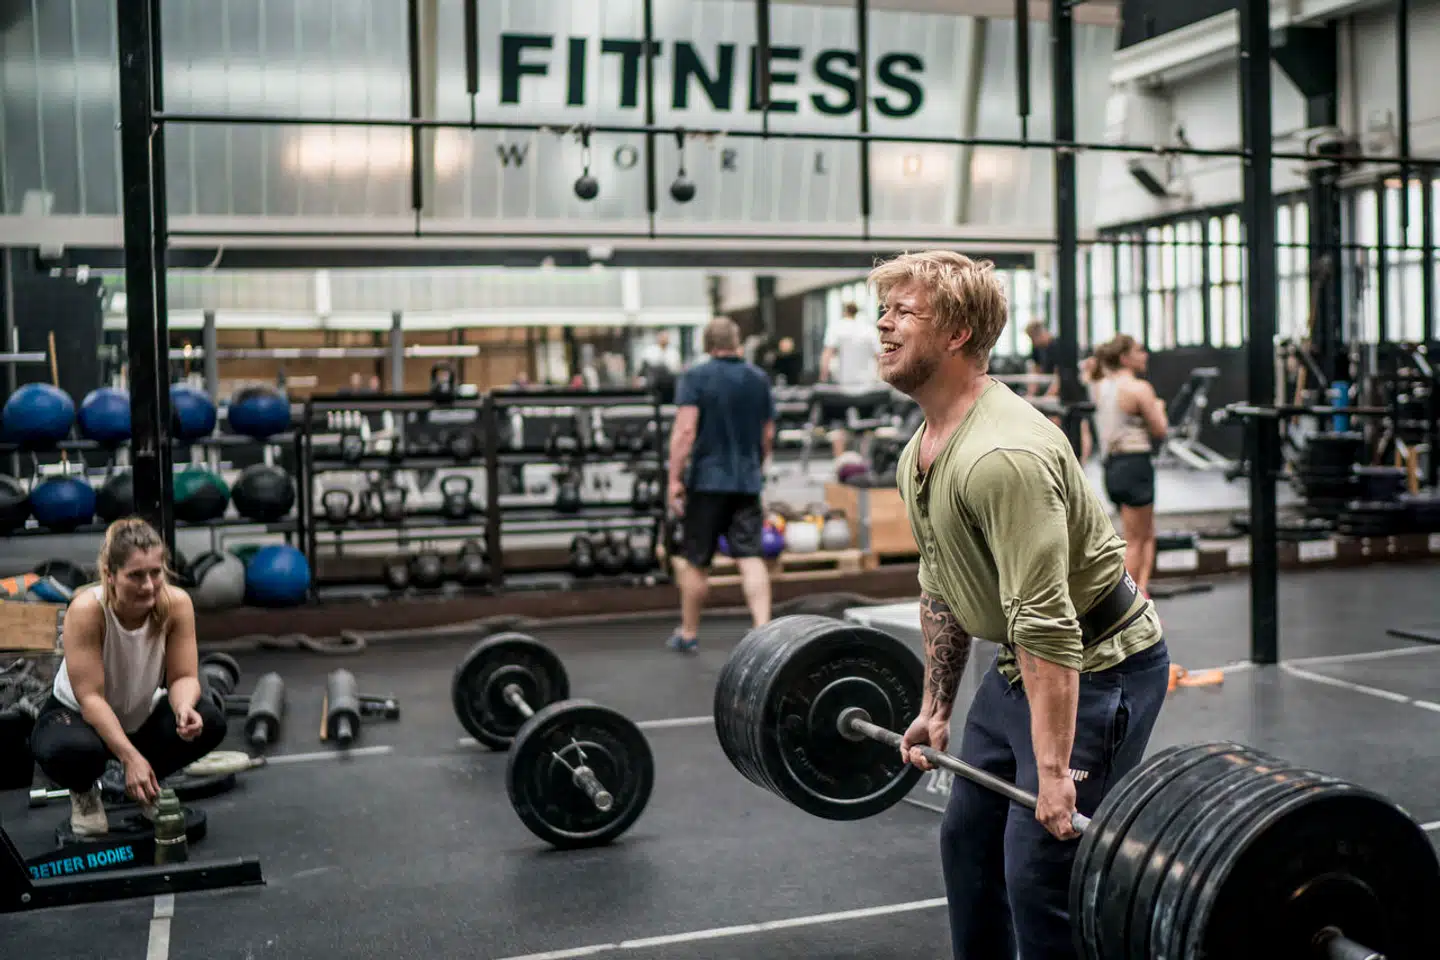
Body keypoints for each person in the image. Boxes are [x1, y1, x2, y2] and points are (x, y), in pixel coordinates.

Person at [871, 251, 1171, 960]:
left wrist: (1056, 772)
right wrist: (936, 707)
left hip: (1098, 671)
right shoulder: (923, 446)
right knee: (968, 848)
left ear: (955, 333)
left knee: (1040, 875)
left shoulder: (1002, 456)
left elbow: (1049, 624)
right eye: (883, 310)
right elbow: (942, 583)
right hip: (1019, 670)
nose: (883, 325)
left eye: (903, 311)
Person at [29, 517, 227, 837]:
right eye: (135, 575)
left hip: (138, 718)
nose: (148, 585)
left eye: (155, 573)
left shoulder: (176, 605)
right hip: (80, 719)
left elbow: (184, 677)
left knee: (208, 720)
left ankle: (148, 783)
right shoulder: (87, 610)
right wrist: (129, 757)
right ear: (110, 575)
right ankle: (85, 794)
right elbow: (91, 699)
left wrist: (183, 708)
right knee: (73, 750)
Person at [665, 316, 775, 652]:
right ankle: (764, 631)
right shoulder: (758, 378)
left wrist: (673, 478)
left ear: (707, 345)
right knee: (750, 555)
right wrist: (757, 465)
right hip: (745, 480)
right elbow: (767, 432)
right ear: (736, 341)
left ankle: (688, 633)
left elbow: (685, 431)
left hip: (707, 482)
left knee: (697, 560)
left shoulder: (695, 376)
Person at [1090, 333, 1168, 596]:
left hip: (1112, 468)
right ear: (1125, 358)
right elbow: (1160, 429)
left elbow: (1091, 370)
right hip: (1135, 464)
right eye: (1139, 350)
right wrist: (1159, 407)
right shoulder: (1139, 389)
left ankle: (1142, 593)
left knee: (1145, 533)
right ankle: (1127, 606)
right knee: (1135, 540)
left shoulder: (1100, 386)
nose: (1144, 355)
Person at [819, 301, 884, 457]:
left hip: (844, 388)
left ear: (844, 312)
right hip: (867, 388)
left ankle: (840, 464)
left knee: (839, 427)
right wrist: (882, 379)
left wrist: (823, 379)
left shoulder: (837, 328)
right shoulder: (868, 330)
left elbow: (827, 355)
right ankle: (864, 463)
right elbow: (880, 357)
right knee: (867, 427)